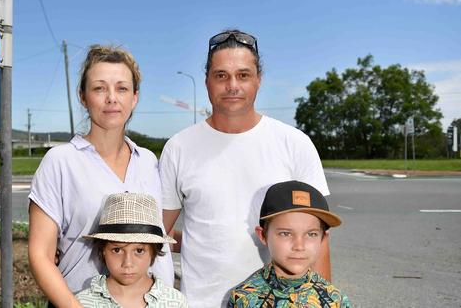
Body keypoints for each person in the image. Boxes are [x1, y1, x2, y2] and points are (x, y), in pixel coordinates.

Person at [159, 29, 331, 307]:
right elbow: (156, 235)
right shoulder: (178, 148)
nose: (232, 86)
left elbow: (318, 239)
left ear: (258, 80)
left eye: (243, 75)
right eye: (221, 75)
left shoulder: (295, 144)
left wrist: (322, 302)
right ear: (207, 82)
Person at [28, 45, 174, 307]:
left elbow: (153, 235)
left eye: (121, 88)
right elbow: (40, 255)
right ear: (83, 97)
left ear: (135, 97)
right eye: (99, 88)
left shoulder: (148, 161)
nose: (111, 98)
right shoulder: (60, 161)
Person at [228, 180, 350, 308]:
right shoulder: (243, 299)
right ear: (263, 235)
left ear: (322, 239)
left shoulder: (335, 299)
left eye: (311, 234)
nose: (299, 246)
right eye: (285, 233)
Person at [76, 192, 188, 307]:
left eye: (139, 251)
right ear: (103, 250)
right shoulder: (80, 303)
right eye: (117, 250)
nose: (128, 263)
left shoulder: (175, 302)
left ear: (154, 251)